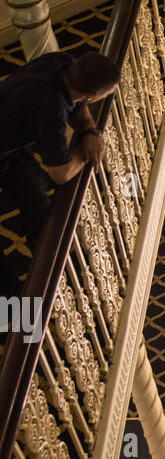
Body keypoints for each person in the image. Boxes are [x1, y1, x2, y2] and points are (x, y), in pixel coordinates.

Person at [0, 51, 121, 293]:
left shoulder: (61, 61)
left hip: (8, 144)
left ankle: (51, 266)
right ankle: (11, 306)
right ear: (92, 96)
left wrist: (89, 131)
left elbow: (78, 106)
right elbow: (61, 173)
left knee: (36, 201)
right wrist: (85, 152)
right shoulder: (51, 112)